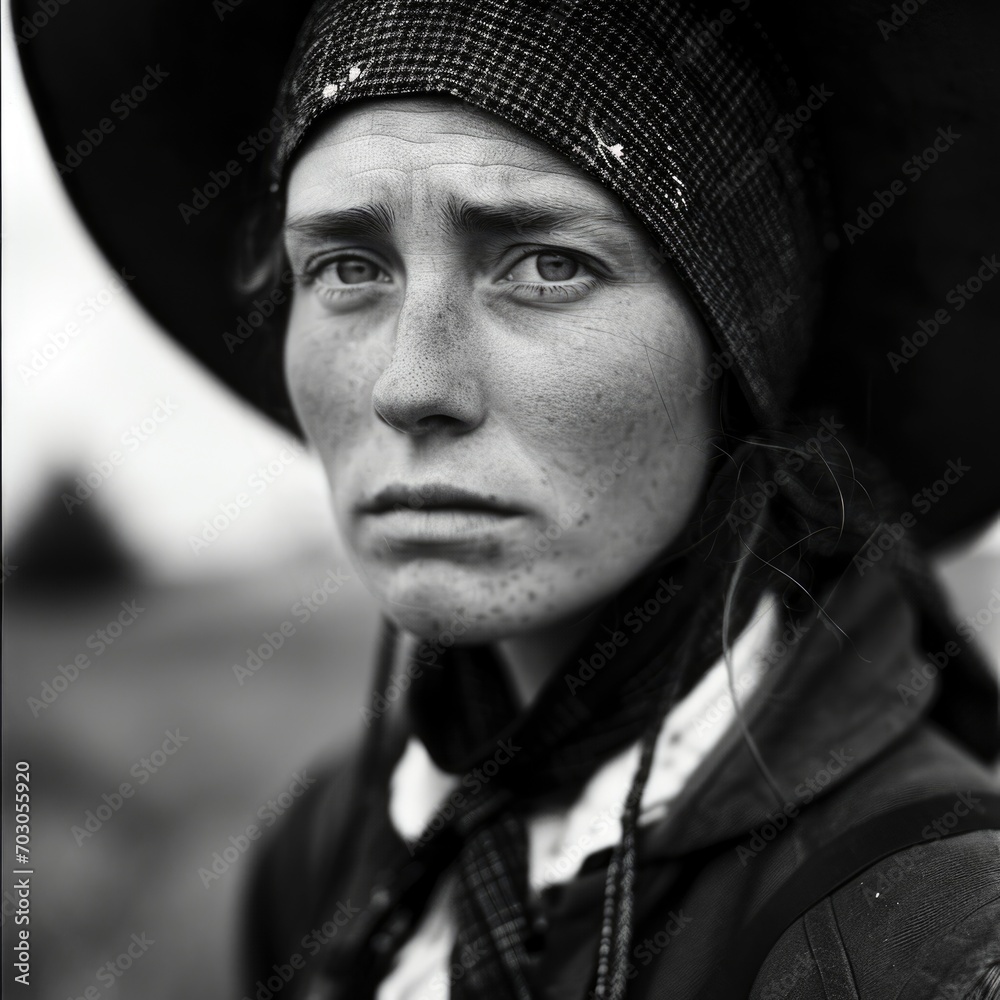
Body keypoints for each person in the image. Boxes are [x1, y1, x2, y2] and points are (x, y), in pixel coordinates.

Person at [17, 1, 1000, 997]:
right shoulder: (330, 848)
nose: (409, 385)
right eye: (348, 268)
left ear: (735, 355)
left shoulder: (928, 938)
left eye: (545, 265)